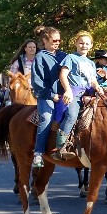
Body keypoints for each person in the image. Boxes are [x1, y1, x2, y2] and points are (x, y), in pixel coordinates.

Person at [55, 31, 102, 159]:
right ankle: (60, 147)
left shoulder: (91, 63)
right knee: (71, 115)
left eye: (87, 43)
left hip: (89, 94)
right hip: (74, 93)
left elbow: (92, 80)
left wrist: (97, 86)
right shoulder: (70, 58)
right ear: (76, 43)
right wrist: (68, 91)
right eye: (81, 43)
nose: (84, 45)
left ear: (91, 45)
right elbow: (63, 75)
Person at [31, 26, 66, 168]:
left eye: (59, 40)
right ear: (45, 40)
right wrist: (52, 96)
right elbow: (37, 82)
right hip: (47, 96)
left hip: (66, 94)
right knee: (46, 118)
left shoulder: (63, 56)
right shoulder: (40, 57)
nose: (57, 42)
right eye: (54, 40)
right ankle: (38, 153)